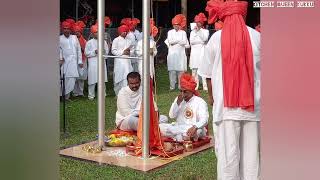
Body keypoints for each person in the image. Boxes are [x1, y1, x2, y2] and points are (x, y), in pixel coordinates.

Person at [199, 1, 261, 179]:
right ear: (243, 14)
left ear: (225, 16)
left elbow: (207, 73)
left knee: (228, 157)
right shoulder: (257, 37)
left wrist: (212, 97)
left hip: (225, 107)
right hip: (253, 106)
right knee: (252, 158)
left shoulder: (216, 38)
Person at [159, 73, 209, 142]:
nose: (183, 94)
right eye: (181, 91)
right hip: (179, 127)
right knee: (159, 127)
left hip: (192, 128)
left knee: (199, 131)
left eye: (185, 92)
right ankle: (180, 137)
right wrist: (177, 103)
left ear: (191, 91)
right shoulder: (179, 99)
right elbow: (171, 116)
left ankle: (178, 137)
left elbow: (205, 120)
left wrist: (195, 127)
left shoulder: (200, 102)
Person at [59, 21, 83, 100]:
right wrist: (60, 58)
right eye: (65, 29)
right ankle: (62, 95)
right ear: (62, 30)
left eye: (68, 29)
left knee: (72, 79)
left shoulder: (74, 37)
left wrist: (80, 61)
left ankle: (67, 96)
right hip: (65, 62)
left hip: (74, 62)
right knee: (65, 78)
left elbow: (79, 49)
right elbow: (59, 50)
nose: (66, 30)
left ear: (70, 29)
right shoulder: (60, 38)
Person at [84, 24, 109, 100]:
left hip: (101, 62)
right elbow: (86, 53)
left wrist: (104, 52)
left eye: (98, 32)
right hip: (93, 63)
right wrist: (94, 52)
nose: (97, 34)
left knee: (102, 79)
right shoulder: (89, 42)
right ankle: (91, 95)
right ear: (92, 33)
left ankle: (103, 94)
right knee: (92, 80)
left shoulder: (104, 42)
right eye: (96, 32)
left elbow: (107, 52)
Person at [165, 14, 189, 90]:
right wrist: (179, 41)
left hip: (180, 55)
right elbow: (170, 41)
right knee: (172, 71)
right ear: (173, 25)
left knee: (180, 71)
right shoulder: (170, 32)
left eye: (177, 25)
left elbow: (184, 42)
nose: (176, 26)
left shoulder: (183, 32)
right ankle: (172, 86)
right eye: (174, 25)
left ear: (180, 25)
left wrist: (176, 41)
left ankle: (180, 86)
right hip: (172, 54)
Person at [111, 24, 134, 96]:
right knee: (119, 76)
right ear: (120, 32)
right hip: (119, 61)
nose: (125, 33)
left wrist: (129, 52)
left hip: (127, 61)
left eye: (126, 31)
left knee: (127, 76)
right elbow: (113, 51)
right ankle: (118, 93)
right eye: (123, 31)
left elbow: (133, 50)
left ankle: (126, 93)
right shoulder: (116, 40)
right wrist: (122, 52)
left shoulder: (129, 40)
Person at [189, 12, 209, 91]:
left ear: (202, 23)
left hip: (202, 51)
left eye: (199, 22)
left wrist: (199, 32)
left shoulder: (205, 31)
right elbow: (191, 41)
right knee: (194, 69)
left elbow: (204, 39)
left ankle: (205, 85)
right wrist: (196, 34)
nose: (198, 24)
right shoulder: (192, 32)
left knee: (203, 68)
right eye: (197, 22)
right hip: (194, 52)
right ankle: (195, 85)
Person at [72, 24, 87, 97]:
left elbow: (86, 51)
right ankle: (75, 93)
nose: (77, 33)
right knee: (75, 77)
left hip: (83, 60)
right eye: (75, 31)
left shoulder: (84, 41)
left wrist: (82, 50)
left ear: (81, 32)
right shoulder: (72, 40)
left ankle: (81, 92)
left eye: (78, 31)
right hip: (74, 61)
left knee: (81, 77)